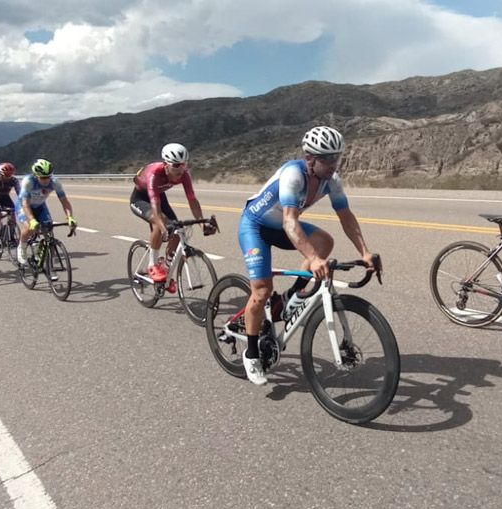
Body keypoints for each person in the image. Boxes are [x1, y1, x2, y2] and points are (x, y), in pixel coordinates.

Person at [237, 126, 375, 385]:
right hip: (255, 227)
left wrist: (365, 252)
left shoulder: (332, 180)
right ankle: (252, 354)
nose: (333, 164)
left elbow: (345, 216)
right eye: (326, 159)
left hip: (282, 228)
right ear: (309, 158)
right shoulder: (293, 175)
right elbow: (290, 222)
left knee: (325, 242)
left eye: (337, 157)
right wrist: (312, 258)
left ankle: (292, 296)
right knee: (262, 291)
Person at [130, 143, 216, 294]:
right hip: (141, 198)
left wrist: (202, 224)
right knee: (160, 223)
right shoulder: (154, 174)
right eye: (176, 165)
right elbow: (155, 206)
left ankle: (166, 270)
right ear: (165, 164)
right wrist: (163, 228)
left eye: (184, 164)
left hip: (159, 195)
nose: (181, 169)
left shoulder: (184, 174)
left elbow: (192, 200)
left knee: (177, 230)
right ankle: (152, 265)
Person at [16, 159, 76, 265]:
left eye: (48, 176)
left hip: (40, 205)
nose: (46, 180)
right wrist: (32, 220)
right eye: (43, 177)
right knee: (29, 227)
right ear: (36, 175)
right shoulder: (29, 181)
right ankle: (22, 246)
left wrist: (70, 217)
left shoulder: (55, 182)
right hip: (24, 206)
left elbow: (64, 201)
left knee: (48, 231)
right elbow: (25, 204)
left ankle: (47, 261)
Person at [0, 162, 21, 244]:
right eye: (6, 175)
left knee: (12, 214)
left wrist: (22, 204)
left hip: (5, 198)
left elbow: (20, 194)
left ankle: (12, 236)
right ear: (1, 174)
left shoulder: (14, 180)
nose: (8, 177)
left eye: (10, 175)